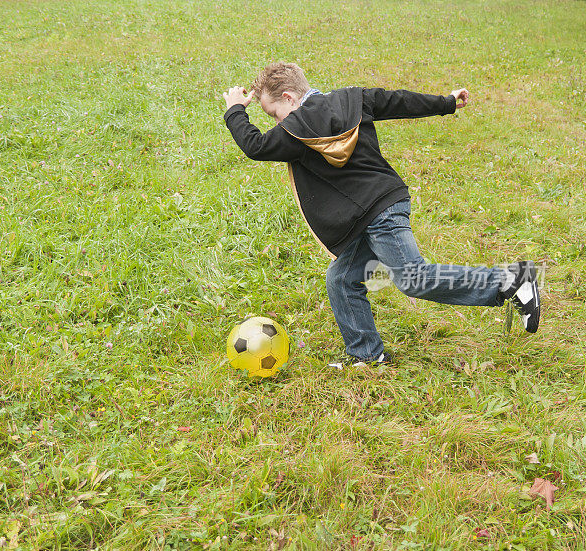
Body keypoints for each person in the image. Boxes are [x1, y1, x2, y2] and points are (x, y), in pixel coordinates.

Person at [222, 62, 540, 365]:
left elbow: (256, 146)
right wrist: (445, 102)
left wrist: (236, 110)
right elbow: (397, 101)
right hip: (377, 206)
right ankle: (368, 355)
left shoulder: (298, 127)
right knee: (342, 279)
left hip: (377, 213)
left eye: (274, 114)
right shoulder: (352, 98)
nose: (278, 123)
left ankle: (511, 280)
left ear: (289, 98)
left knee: (415, 278)